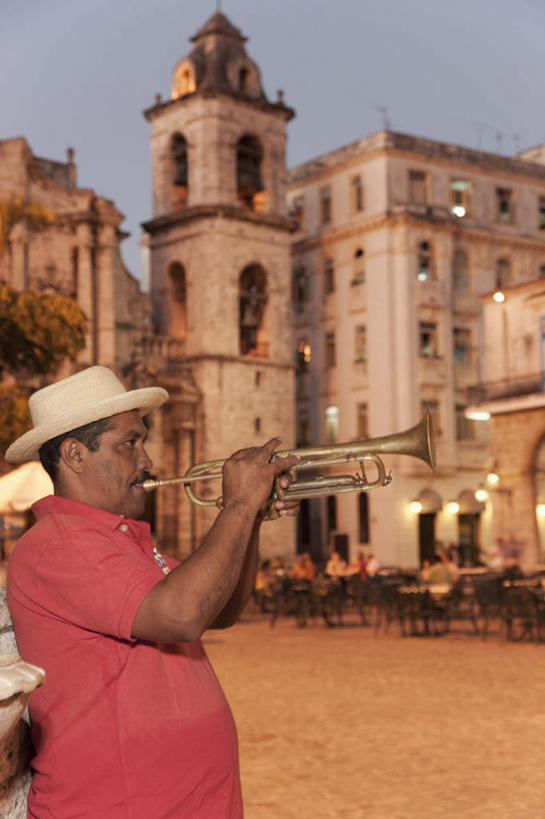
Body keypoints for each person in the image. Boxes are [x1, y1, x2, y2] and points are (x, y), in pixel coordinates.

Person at [5, 366, 300, 818]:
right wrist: (239, 505)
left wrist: (253, 519)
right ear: (75, 454)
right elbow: (182, 614)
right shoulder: (59, 543)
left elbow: (219, 609)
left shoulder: (120, 538)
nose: (147, 460)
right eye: (129, 443)